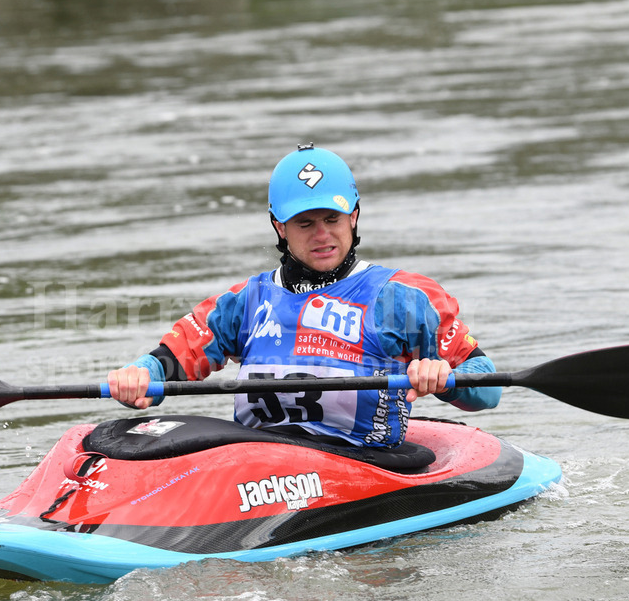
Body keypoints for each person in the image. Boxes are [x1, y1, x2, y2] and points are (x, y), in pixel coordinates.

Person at [106, 144, 500, 448]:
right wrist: (140, 375)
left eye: (332, 219)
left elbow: (487, 388)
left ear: (355, 217)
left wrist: (446, 379)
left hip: (365, 464)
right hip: (259, 463)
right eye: (304, 223)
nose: (322, 234)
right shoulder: (245, 301)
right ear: (279, 227)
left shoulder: (402, 299)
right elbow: (173, 359)